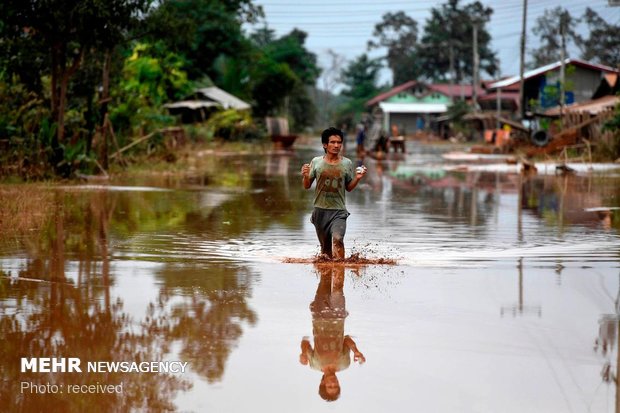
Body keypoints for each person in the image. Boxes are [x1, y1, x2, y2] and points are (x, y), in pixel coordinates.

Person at [299, 265, 366, 401]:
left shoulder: (315, 364)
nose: (333, 383)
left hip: (319, 317)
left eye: (330, 386)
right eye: (335, 386)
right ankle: (338, 262)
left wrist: (302, 353)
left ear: (322, 383)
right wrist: (356, 351)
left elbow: (305, 343)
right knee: (338, 286)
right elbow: (346, 340)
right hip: (338, 316)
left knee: (324, 279)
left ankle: (326, 259)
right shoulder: (344, 364)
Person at [301, 127, 367, 260]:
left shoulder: (346, 163)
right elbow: (307, 186)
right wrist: (305, 176)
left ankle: (339, 275)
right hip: (320, 211)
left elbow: (348, 187)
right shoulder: (316, 162)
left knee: (338, 239)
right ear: (325, 145)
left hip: (338, 211)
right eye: (333, 142)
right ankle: (326, 278)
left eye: (339, 142)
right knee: (325, 254)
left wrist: (358, 179)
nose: (336, 145)